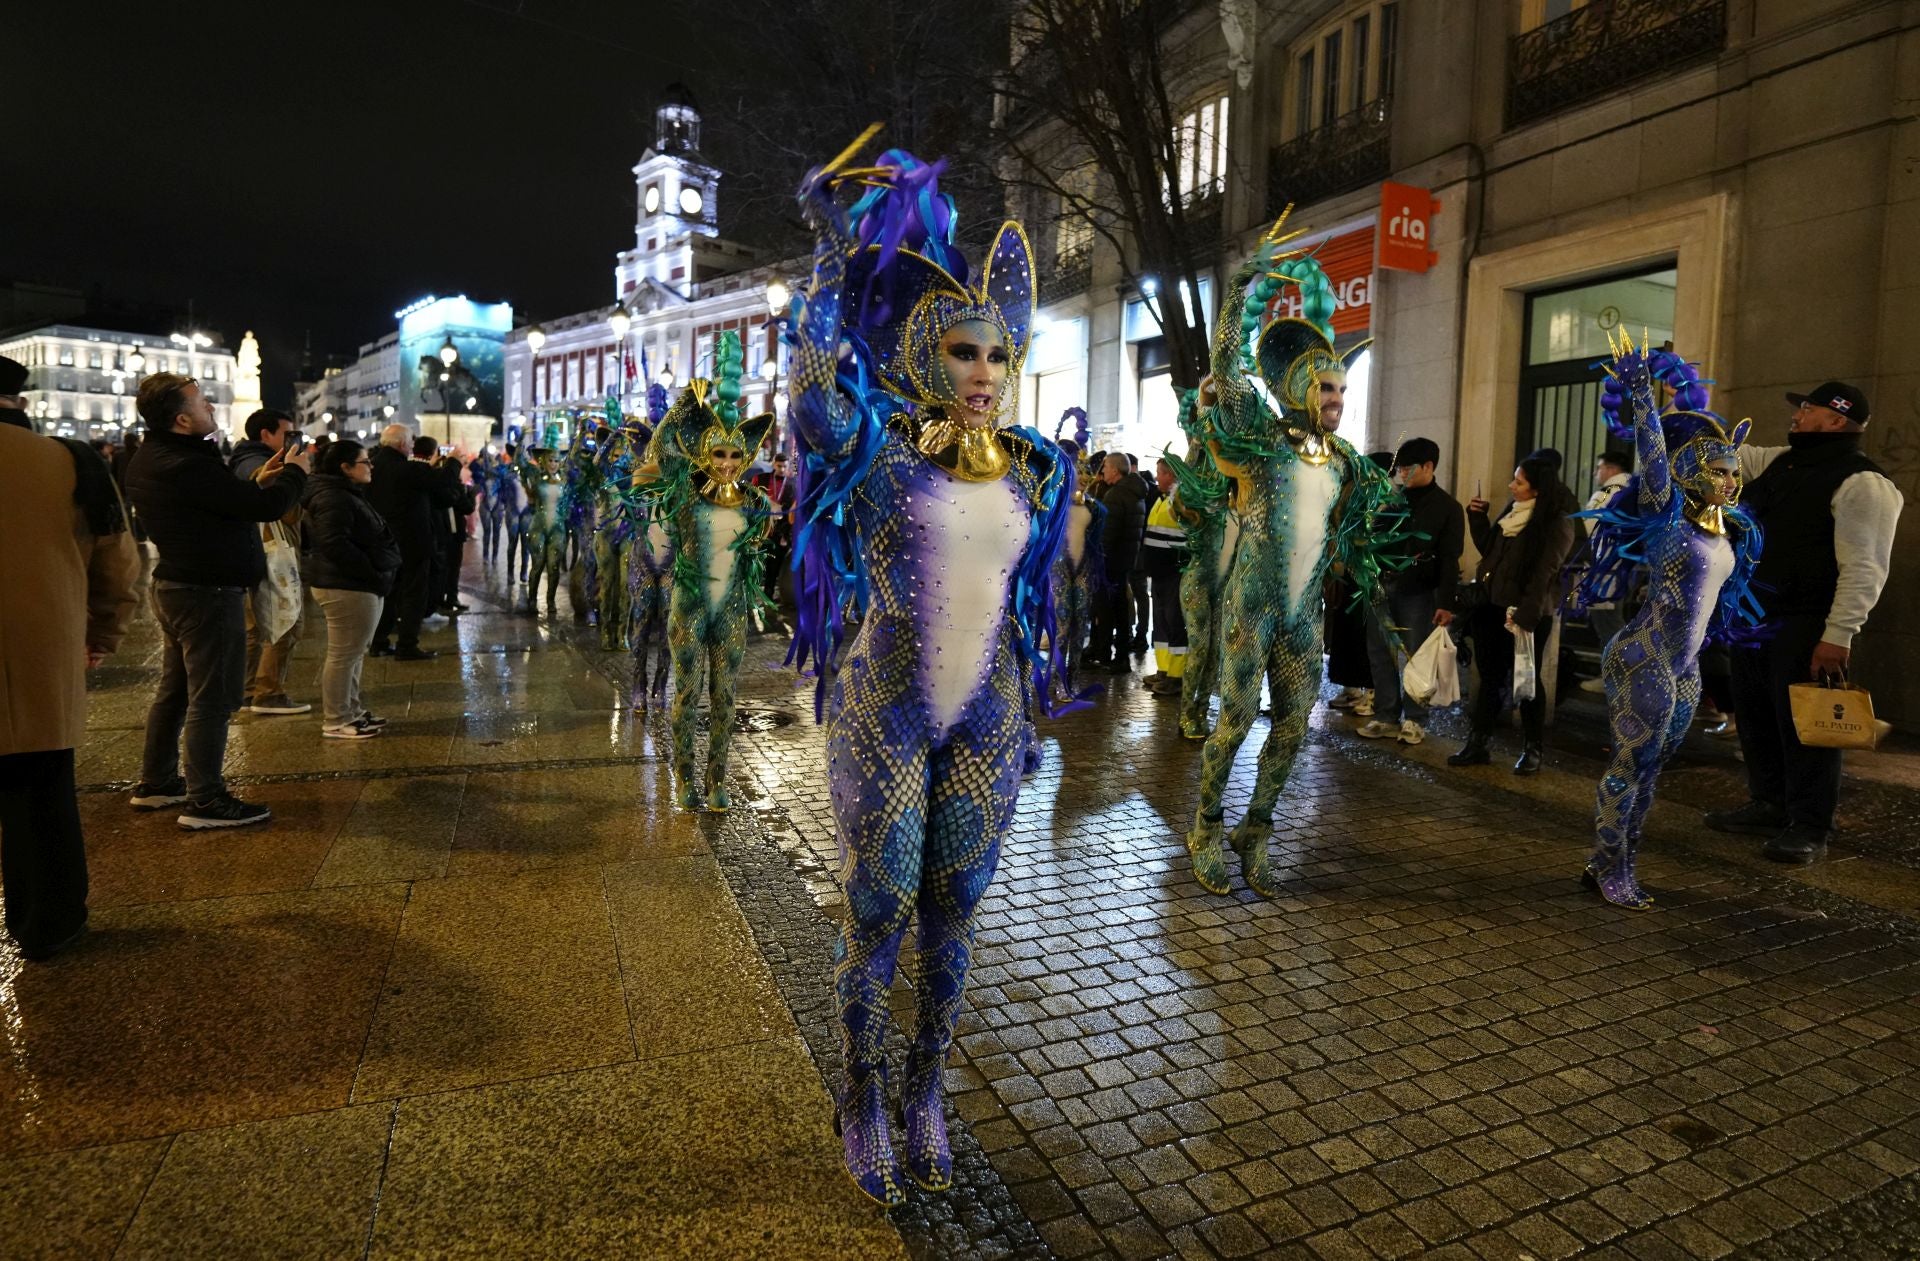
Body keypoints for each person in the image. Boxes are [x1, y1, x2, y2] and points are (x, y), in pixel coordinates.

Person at [786, 145, 1075, 1205]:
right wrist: (828, 261)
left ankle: (924, 1090)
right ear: (925, 355)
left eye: (998, 354)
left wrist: (1035, 711)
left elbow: (1030, 597)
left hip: (989, 710)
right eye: (964, 352)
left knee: (957, 910)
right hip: (887, 709)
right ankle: (861, 1096)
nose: (985, 373)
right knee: (880, 906)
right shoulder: (877, 453)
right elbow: (815, 404)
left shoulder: (1036, 467)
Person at [1185, 233, 1407, 898]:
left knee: (1291, 727)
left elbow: (1350, 543)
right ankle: (1205, 827)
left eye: (1342, 388)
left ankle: (1255, 828)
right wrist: (1238, 289)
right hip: (1250, 608)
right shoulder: (1261, 440)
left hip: (1303, 618)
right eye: (1326, 387)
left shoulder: (1346, 465)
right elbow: (1226, 370)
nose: (1336, 398)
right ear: (1299, 388)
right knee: (1234, 722)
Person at [1570, 340, 1762, 908]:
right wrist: (1641, 397)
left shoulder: (1726, 532)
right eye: (1718, 471)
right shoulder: (1668, 517)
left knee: (1650, 770)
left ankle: (1611, 861)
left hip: (1685, 666)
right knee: (1630, 764)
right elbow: (1654, 457)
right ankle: (1612, 868)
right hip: (1645, 656)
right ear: (1690, 471)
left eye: (1734, 472)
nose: (1729, 481)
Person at [1706, 382, 1904, 863]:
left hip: (1808, 623)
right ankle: (1769, 803)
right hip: (1755, 618)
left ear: (1836, 419)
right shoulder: (1780, 461)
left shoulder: (1864, 483)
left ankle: (1811, 825)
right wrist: (1683, 408)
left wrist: (1839, 635)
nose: (1797, 415)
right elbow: (1721, 454)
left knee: (1807, 726)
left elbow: (1865, 567)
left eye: (1808, 409)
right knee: (1756, 716)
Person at [123, 373, 308, 829]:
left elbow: (222, 503)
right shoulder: (189, 464)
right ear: (182, 419)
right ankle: (206, 800)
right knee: (213, 699)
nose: (209, 406)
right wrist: (295, 475)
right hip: (207, 592)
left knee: (175, 691)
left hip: (176, 585)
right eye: (201, 402)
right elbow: (263, 509)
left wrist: (260, 481)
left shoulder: (154, 456)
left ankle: (157, 781)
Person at [0, 357, 139, 960]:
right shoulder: (70, 461)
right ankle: (47, 922)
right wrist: (102, 633)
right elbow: (118, 563)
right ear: (18, 401)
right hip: (38, 653)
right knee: (40, 791)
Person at [635, 332, 776, 812]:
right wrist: (681, 408)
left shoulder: (755, 501)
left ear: (747, 455)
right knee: (688, 690)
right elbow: (649, 468)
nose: (728, 464)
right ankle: (683, 777)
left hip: (731, 608)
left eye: (736, 455)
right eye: (719, 454)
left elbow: (757, 550)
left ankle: (717, 780)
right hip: (689, 605)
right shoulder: (685, 494)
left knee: (725, 696)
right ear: (704, 454)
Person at [1448, 454, 1578, 775]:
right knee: (1490, 679)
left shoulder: (1556, 523)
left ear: (1537, 488)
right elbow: (1490, 552)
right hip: (1491, 608)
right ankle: (1478, 743)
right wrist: (1478, 518)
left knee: (1526, 681)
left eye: (1519, 482)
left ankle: (1532, 749)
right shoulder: (1512, 512)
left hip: (1526, 614)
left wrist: (1525, 617)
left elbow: (1545, 574)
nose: (1511, 486)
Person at [1356, 437, 1465, 745]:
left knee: (1416, 655)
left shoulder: (1447, 507)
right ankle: (1386, 715)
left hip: (1418, 589)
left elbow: (1450, 558)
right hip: (1382, 584)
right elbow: (1373, 538)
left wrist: (1446, 602)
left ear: (1428, 466)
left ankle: (1416, 719)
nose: (1401, 474)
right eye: (1399, 469)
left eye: (1407, 468)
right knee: (1380, 652)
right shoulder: (1393, 500)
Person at [301, 440, 402, 739]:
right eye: (364, 461)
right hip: (346, 586)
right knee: (344, 655)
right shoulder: (333, 497)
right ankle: (336, 719)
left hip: (353, 583)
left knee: (355, 653)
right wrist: (371, 572)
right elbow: (334, 543)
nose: (371, 466)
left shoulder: (343, 492)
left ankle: (351, 711)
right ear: (345, 467)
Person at [229, 409, 310, 716]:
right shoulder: (261, 464)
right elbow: (281, 508)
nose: (293, 441)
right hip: (273, 556)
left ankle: (248, 691)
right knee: (285, 621)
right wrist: (297, 475)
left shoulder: (241, 459)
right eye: (287, 434)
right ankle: (269, 693)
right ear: (266, 434)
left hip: (253, 553)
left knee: (254, 626)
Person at [365, 424, 453, 660]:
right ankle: (407, 644)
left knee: (388, 593)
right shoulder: (406, 468)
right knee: (414, 593)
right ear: (402, 443)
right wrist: (454, 461)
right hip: (413, 542)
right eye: (411, 442)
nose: (413, 445)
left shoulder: (373, 465)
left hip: (383, 541)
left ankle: (379, 642)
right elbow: (442, 481)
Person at [1576, 448, 1635, 694]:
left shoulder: (1609, 493)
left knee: (1608, 626)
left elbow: (1587, 529)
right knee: (1613, 623)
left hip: (1605, 570)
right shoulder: (1632, 492)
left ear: (1611, 469)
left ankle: (1615, 679)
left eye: (1599, 467)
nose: (1595, 473)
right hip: (1621, 568)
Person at [1089, 452, 1146, 673]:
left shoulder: (1116, 495)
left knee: (1106, 608)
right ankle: (1120, 655)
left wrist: (1098, 557)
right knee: (1120, 607)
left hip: (1110, 562)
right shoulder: (1135, 492)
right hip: (1125, 559)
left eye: (1105, 467)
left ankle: (1104, 654)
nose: (1103, 471)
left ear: (1114, 469)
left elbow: (1108, 534)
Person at [1141, 457, 1188, 695]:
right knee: (1160, 622)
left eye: (1160, 472)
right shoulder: (1161, 499)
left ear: (1171, 475)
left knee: (1174, 621)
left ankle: (1177, 677)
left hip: (1174, 572)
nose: (1157, 477)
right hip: (1159, 573)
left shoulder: (1181, 500)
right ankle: (1164, 670)